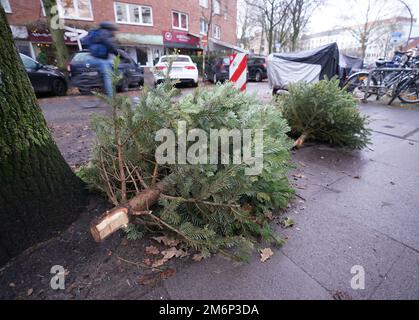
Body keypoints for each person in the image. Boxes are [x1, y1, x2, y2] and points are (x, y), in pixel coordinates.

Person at [82, 22, 119, 98]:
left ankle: (104, 85)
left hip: (93, 57)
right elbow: (110, 46)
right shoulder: (105, 33)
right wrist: (118, 54)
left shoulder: (100, 32)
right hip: (97, 58)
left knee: (110, 64)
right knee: (107, 74)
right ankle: (111, 98)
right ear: (110, 29)